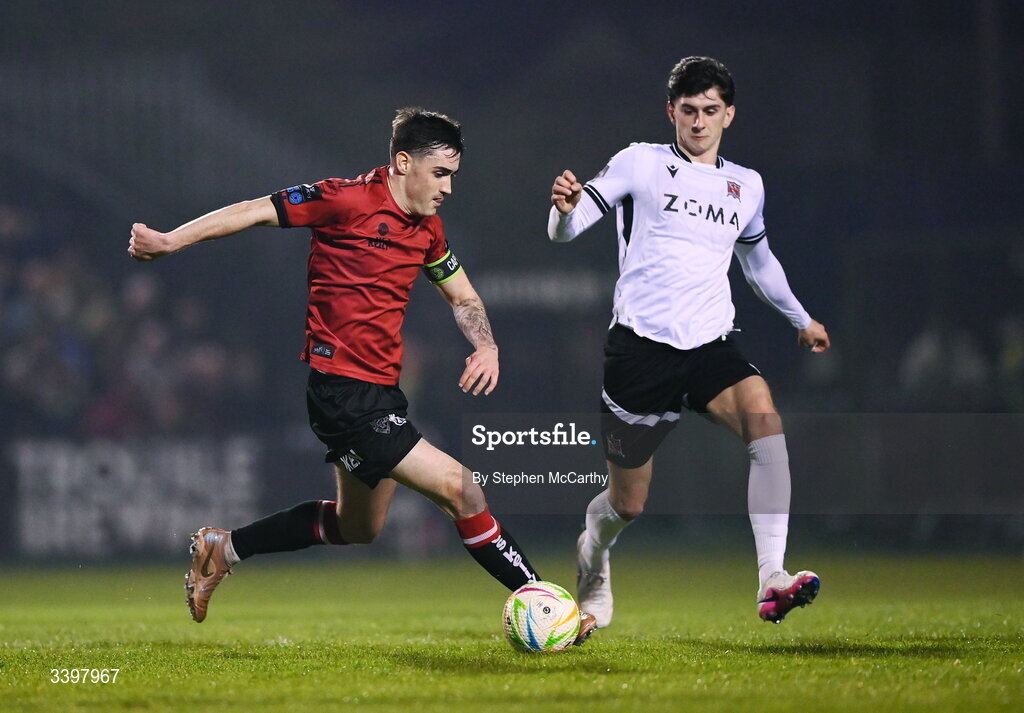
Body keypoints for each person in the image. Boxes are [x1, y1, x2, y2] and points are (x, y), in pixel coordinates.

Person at [129, 107, 595, 643]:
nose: (447, 188)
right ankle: (544, 602)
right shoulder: (344, 199)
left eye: (453, 177)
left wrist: (486, 344)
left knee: (359, 527)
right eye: (440, 174)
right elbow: (255, 210)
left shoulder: (428, 230)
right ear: (403, 162)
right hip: (342, 393)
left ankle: (224, 548)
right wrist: (169, 241)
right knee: (463, 490)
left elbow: (463, 295)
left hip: (380, 394)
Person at [547, 57, 831, 627]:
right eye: (688, 111)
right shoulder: (640, 163)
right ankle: (592, 555)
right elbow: (570, 228)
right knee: (628, 504)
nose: (698, 122)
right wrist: (561, 210)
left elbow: (759, 261)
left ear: (729, 114)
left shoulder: (745, 185)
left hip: (709, 345)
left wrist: (801, 318)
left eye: (709, 111)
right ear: (670, 112)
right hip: (639, 351)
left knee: (765, 421)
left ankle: (771, 578)